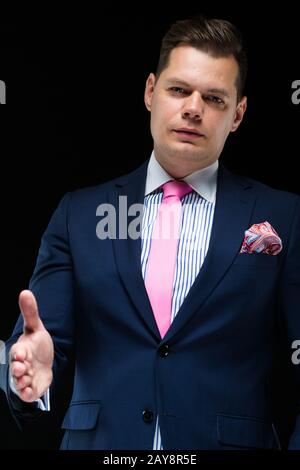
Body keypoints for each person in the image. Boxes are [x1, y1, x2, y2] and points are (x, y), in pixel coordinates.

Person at [0, 15, 299, 451]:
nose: (193, 108)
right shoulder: (79, 214)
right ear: (150, 92)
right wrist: (26, 370)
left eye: (214, 98)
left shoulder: (284, 217)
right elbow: (42, 341)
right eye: (179, 90)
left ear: (238, 114)